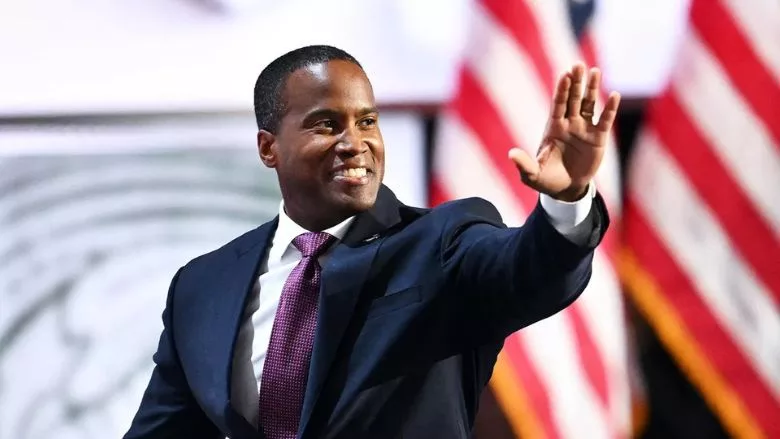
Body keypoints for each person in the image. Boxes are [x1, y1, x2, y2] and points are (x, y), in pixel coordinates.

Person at [124, 45, 619, 439]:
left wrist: (567, 198)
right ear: (268, 147)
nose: (355, 142)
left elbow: (531, 271)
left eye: (367, 121)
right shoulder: (203, 285)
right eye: (326, 123)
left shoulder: (442, 242)